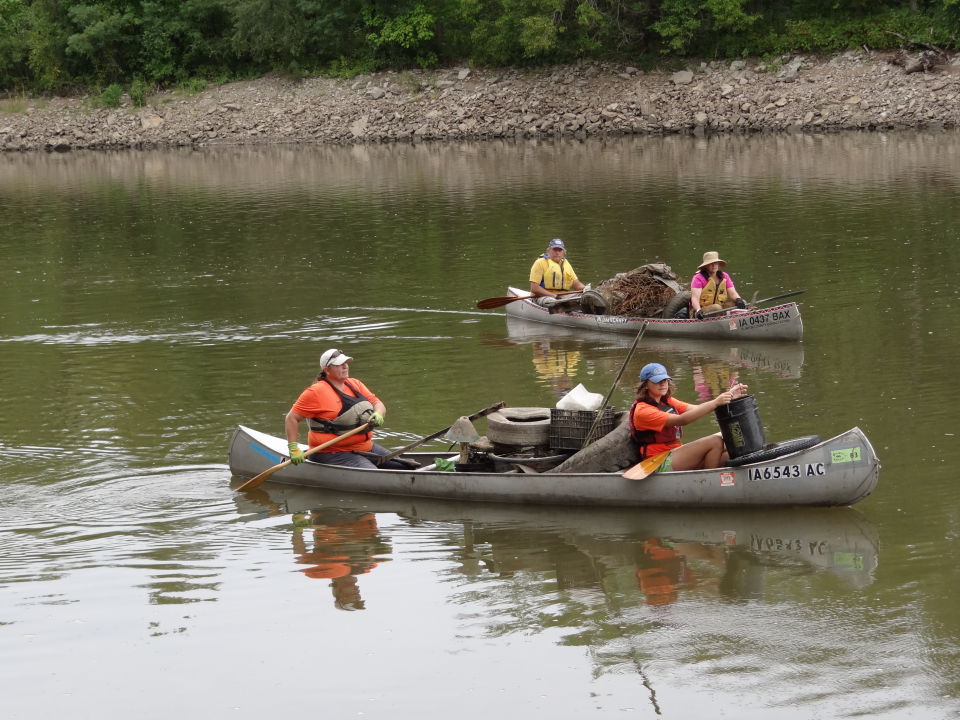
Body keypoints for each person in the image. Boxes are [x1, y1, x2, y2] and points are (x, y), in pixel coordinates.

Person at [285, 348, 397, 469]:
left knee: (405, 467)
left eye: (346, 363)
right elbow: (291, 418)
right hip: (332, 453)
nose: (345, 366)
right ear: (327, 370)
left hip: (365, 447)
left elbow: (377, 403)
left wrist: (379, 413)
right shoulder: (315, 392)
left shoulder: (355, 384)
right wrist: (293, 448)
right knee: (375, 474)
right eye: (339, 364)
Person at [630, 362, 748, 471]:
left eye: (665, 380)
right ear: (645, 385)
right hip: (656, 461)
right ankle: (707, 481)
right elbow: (682, 420)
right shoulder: (643, 411)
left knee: (727, 444)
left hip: (675, 452)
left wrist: (729, 398)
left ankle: (715, 477)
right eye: (657, 381)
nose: (662, 384)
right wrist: (716, 402)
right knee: (715, 441)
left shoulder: (667, 401)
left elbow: (698, 409)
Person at [528, 238, 586, 308]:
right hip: (542, 296)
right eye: (555, 249)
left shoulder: (566, 264)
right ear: (549, 250)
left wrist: (586, 290)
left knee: (585, 298)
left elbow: (576, 284)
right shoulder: (540, 263)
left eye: (560, 250)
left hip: (562, 297)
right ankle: (566, 308)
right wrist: (554, 296)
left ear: (563, 252)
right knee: (554, 303)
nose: (557, 252)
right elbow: (534, 288)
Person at [689, 251, 747, 319]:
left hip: (719, 308)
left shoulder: (725, 276)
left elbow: (732, 293)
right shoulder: (698, 278)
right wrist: (698, 310)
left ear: (718, 264)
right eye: (711, 264)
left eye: (715, 263)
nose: (714, 266)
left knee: (743, 303)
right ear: (705, 266)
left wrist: (738, 300)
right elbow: (695, 299)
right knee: (717, 307)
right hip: (700, 311)